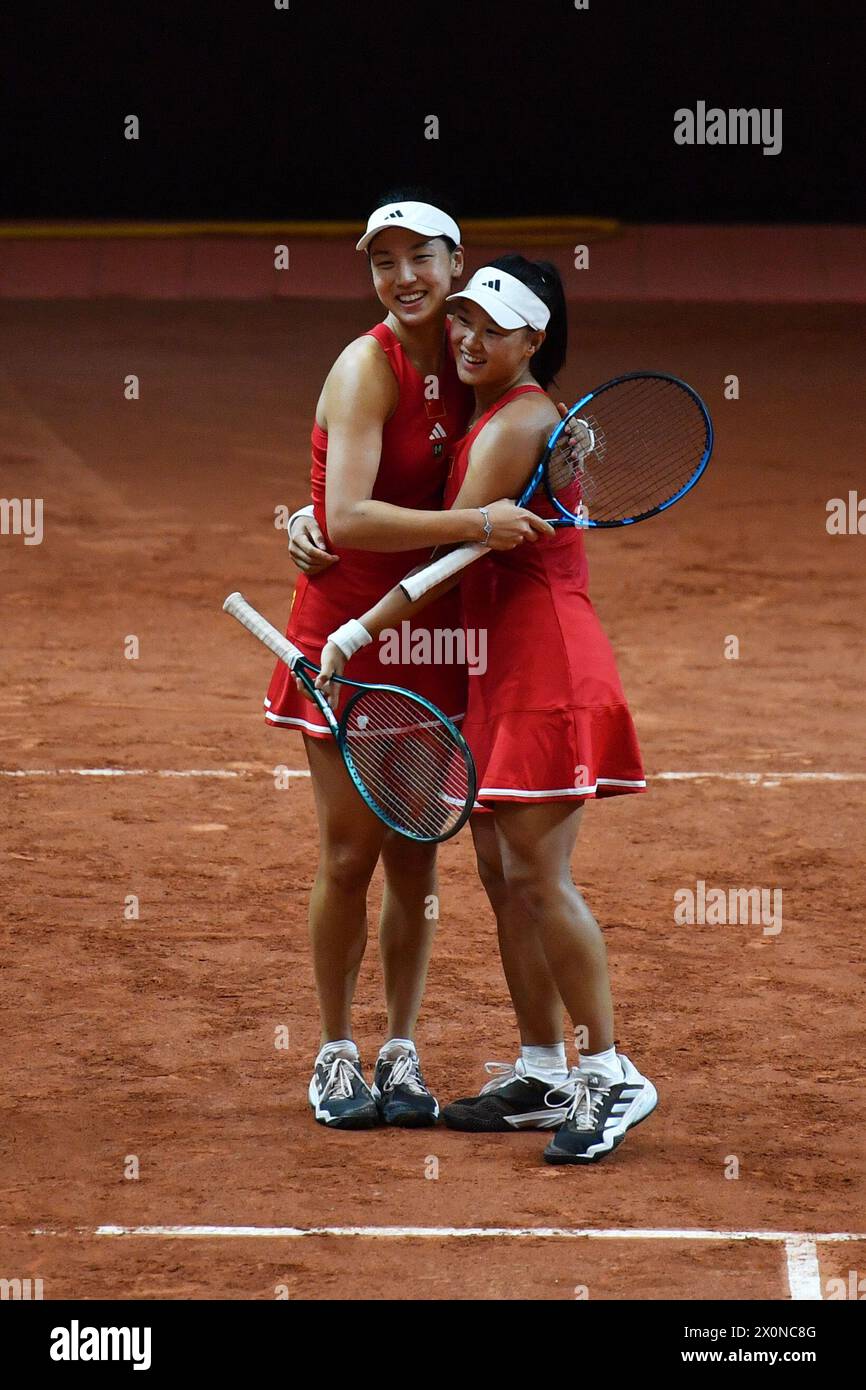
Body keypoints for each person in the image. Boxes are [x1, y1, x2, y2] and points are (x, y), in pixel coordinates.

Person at [316, 258, 657, 1164]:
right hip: (496, 667)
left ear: (533, 341)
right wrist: (309, 526)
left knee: (540, 877)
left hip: (543, 662)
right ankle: (544, 1069)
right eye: (463, 320)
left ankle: (612, 1070)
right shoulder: (498, 414)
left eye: (492, 327)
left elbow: (446, 563)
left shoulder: (524, 423)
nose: (467, 337)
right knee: (505, 878)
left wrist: (357, 629)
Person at [267, 191, 548, 1130]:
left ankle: (402, 1051)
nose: (404, 278)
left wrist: (568, 444)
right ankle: (335, 1051)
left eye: (420, 258)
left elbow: (526, 410)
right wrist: (311, 519)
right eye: (384, 263)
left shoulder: (469, 360)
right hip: (345, 638)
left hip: (425, 638)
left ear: (455, 263)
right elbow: (345, 517)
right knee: (350, 854)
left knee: (418, 863)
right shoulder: (366, 368)